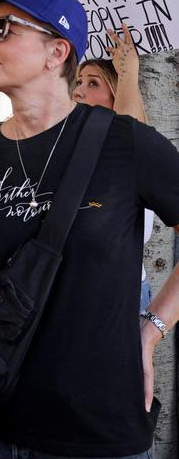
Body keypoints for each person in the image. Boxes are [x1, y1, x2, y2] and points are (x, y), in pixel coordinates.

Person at [0, 0, 179, 459]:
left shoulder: (123, 143)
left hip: (95, 427)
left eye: (3, 29)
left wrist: (151, 328)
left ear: (56, 52)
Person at [73, 25, 153, 309]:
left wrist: (128, 71)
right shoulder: (73, 140)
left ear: (117, 93)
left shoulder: (131, 145)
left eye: (93, 83)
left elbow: (130, 129)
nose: (79, 90)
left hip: (119, 292)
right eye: (79, 81)